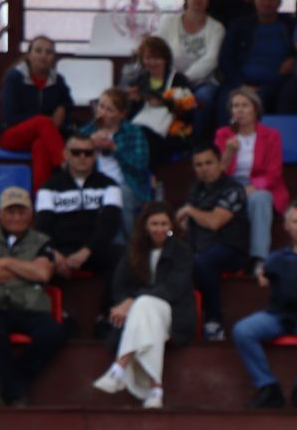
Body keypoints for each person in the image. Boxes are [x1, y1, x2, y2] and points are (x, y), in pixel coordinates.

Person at [233, 200, 297, 411]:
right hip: (278, 314)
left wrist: (284, 276)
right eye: (296, 221)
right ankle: (267, 387)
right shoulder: (275, 256)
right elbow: (262, 277)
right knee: (242, 330)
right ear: (286, 225)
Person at [0, 186, 67, 407]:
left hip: (28, 305)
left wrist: (6, 262)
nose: (16, 217)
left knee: (53, 332)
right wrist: (25, 271)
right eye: (10, 212)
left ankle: (13, 383)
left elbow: (42, 274)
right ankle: (15, 388)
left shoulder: (42, 240)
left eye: (21, 212)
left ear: (31, 214)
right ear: (0, 214)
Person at [95, 202, 197, 409]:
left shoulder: (182, 251)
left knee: (143, 303)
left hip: (174, 313)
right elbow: (119, 287)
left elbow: (173, 290)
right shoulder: (133, 251)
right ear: (145, 227)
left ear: (171, 226)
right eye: (154, 224)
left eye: (164, 224)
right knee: (145, 311)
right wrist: (125, 303)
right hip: (143, 318)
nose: (159, 229)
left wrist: (132, 302)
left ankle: (119, 367)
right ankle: (155, 389)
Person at [176, 143, 249, 340]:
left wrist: (190, 211)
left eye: (209, 163)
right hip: (197, 246)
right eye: (198, 165)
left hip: (230, 249)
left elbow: (215, 222)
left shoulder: (233, 188)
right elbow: (181, 225)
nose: (204, 168)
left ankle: (213, 320)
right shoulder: (195, 189)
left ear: (220, 164)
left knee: (203, 261)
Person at [32, 136, 123, 286]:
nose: (82, 157)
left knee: (122, 256)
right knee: (36, 259)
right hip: (59, 250)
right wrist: (55, 254)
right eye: (76, 152)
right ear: (65, 154)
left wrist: (86, 251)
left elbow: (109, 225)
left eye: (88, 153)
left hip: (94, 251)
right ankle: (44, 308)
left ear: (95, 156)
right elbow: (43, 227)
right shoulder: (48, 188)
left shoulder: (110, 186)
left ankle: (110, 308)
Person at [214, 86, 288, 264]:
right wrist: (228, 153)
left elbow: (274, 172)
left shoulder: (271, 136)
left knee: (260, 199)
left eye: (244, 105)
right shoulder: (223, 135)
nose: (239, 110)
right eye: (235, 106)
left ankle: (259, 258)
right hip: (230, 184)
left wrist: (253, 187)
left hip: (261, 185)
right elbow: (216, 174)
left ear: (255, 109)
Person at [0, 36, 70, 189]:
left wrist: (62, 107)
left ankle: (41, 200)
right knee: (42, 122)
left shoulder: (58, 80)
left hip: (44, 137)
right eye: (38, 51)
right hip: (13, 134)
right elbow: (10, 117)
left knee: (41, 146)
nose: (43, 55)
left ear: (53, 58)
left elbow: (68, 101)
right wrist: (43, 121)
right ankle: (67, 167)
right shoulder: (15, 78)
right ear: (29, 55)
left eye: (49, 52)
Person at [215, 0, 296, 115]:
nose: (267, 2)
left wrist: (294, 59)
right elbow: (226, 59)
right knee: (226, 101)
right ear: (255, 0)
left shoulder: (290, 25)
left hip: (275, 83)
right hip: (240, 82)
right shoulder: (239, 26)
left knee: (259, 100)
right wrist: (241, 84)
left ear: (279, 2)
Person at [156, 0, 224, 125]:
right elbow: (158, 51)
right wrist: (173, 80)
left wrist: (185, 79)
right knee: (162, 99)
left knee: (202, 100)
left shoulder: (217, 28)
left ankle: (196, 143)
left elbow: (212, 59)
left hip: (203, 82)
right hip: (169, 80)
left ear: (209, 0)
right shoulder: (168, 22)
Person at [79, 88, 154, 223]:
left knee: (118, 196)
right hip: (94, 184)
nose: (102, 113)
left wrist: (114, 148)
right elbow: (73, 163)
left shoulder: (134, 132)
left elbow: (140, 165)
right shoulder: (85, 132)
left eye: (110, 110)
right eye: (101, 106)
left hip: (128, 185)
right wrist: (89, 146)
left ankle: (126, 244)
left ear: (122, 114)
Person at [120, 35, 197, 158]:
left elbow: (189, 113)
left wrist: (166, 103)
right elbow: (127, 114)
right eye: (148, 58)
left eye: (157, 58)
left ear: (165, 59)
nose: (152, 63)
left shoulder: (178, 80)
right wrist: (135, 101)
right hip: (140, 129)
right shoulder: (136, 80)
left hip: (169, 133)